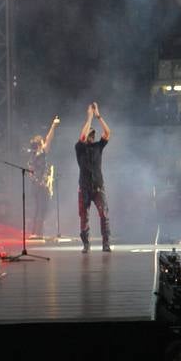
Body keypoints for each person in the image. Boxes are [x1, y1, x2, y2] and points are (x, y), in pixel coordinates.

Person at [75, 102, 111, 252]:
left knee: (104, 215)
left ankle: (106, 243)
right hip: (84, 188)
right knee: (84, 217)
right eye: (90, 133)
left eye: (93, 134)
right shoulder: (79, 147)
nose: (92, 136)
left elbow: (108, 133)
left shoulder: (98, 147)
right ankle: (86, 244)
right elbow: (82, 137)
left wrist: (98, 116)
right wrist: (89, 117)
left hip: (98, 186)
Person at [27, 115, 59, 238]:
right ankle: (37, 233)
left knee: (39, 208)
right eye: (42, 143)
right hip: (39, 185)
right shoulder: (39, 154)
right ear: (40, 144)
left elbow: (48, 139)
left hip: (37, 185)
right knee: (40, 208)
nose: (45, 143)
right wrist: (53, 125)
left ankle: (36, 232)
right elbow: (49, 139)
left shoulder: (34, 156)